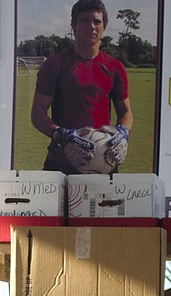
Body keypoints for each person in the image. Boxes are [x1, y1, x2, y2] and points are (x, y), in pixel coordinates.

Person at [30, 0, 133, 174]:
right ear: (73, 25)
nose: (91, 26)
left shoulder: (115, 67)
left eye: (97, 21)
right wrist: (62, 135)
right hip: (61, 161)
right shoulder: (55, 65)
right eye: (85, 20)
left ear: (104, 27)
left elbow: (125, 112)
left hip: (104, 162)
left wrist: (123, 133)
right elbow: (37, 114)